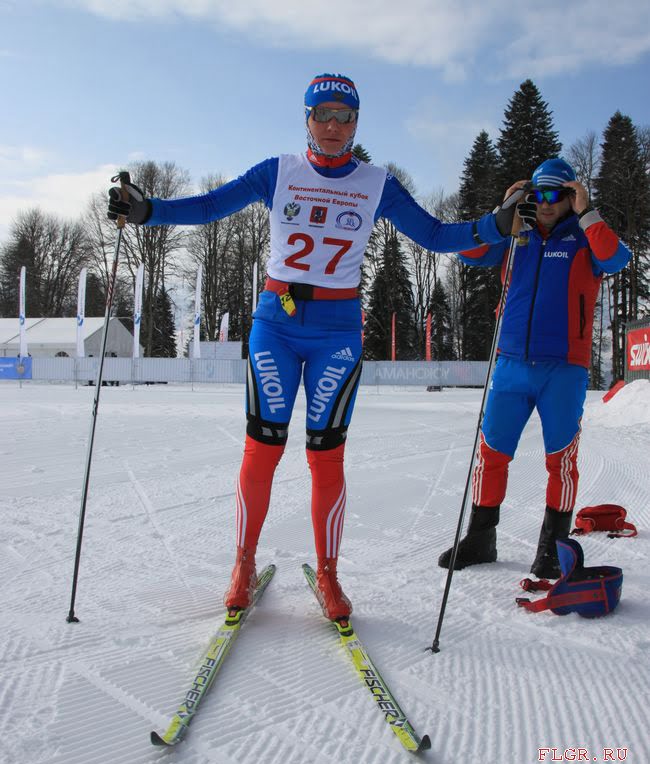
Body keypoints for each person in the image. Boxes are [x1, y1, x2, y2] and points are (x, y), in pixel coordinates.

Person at [108, 73, 509, 620]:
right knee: (263, 448)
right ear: (307, 118)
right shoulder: (279, 171)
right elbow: (209, 207)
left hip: (337, 332)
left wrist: (495, 225)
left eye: (345, 116)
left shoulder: (377, 183)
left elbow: (436, 236)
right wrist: (147, 210)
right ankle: (242, 564)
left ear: (357, 123)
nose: (334, 126)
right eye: (324, 114)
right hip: (276, 324)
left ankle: (329, 573)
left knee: (325, 455)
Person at [438, 158, 631, 578]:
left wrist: (587, 211)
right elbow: (470, 253)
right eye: (538, 194)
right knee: (491, 454)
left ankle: (552, 549)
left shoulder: (584, 238)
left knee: (560, 460)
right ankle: (480, 537)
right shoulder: (515, 235)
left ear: (569, 197)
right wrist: (503, 209)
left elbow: (616, 259)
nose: (545, 203)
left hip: (563, 369)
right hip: (510, 365)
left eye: (556, 195)